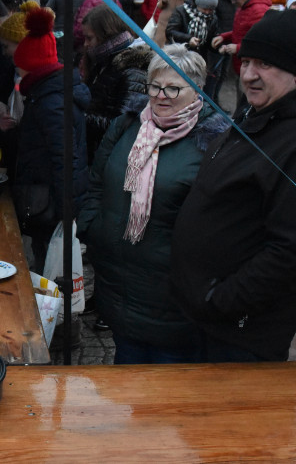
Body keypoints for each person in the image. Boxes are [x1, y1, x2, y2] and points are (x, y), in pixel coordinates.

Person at [171, 9, 296, 362]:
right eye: (246, 61)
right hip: (207, 316)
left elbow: (294, 253)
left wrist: (220, 301)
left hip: (240, 333)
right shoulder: (263, 108)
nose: (248, 75)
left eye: (264, 64)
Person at [77, 45, 228, 364]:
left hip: (172, 300)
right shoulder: (129, 124)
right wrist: (94, 228)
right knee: (126, 379)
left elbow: (221, 221)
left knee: (165, 398)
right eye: (155, 86)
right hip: (119, 287)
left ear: (198, 89)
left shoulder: (213, 142)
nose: (161, 95)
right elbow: (97, 179)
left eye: (174, 87)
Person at [11, 6, 90, 273]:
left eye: (21, 71)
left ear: (33, 70)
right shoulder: (47, 94)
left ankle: (48, 306)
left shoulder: (50, 101)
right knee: (43, 257)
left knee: (48, 264)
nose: (18, 76)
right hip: (48, 196)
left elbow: (64, 157)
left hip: (52, 203)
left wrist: (67, 209)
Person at [81, 3, 151, 161]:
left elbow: (123, 125)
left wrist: (78, 116)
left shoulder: (134, 68)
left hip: (114, 157)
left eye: (89, 38)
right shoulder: (104, 61)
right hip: (98, 152)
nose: (85, 44)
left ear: (106, 34)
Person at [167, 0, 222, 100]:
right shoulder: (181, 11)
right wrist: (188, 40)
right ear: (197, 4)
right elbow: (170, 32)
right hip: (179, 57)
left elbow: (210, 40)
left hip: (199, 61)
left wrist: (216, 44)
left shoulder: (213, 18)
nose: (207, 12)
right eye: (204, 9)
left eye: (210, 10)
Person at [211, 0, 271, 77]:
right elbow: (243, 30)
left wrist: (238, 48)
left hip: (253, 70)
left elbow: (263, 42)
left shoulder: (260, 11)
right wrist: (224, 37)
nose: (233, 2)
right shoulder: (243, 5)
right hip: (243, 67)